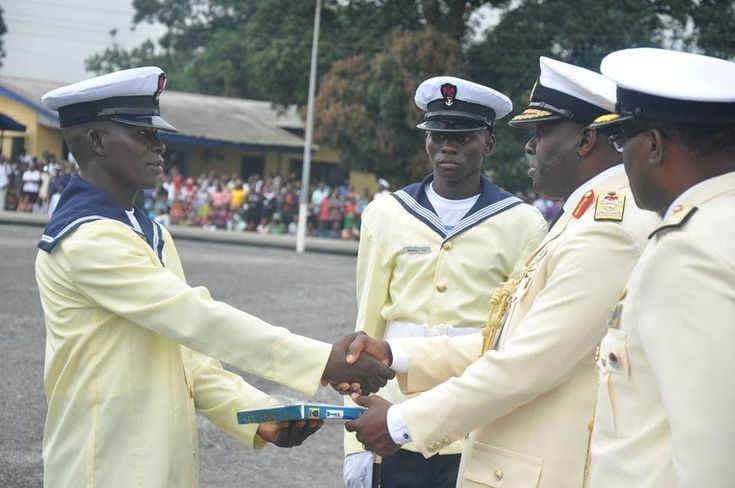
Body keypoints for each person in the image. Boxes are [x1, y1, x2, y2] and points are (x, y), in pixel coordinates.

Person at [35, 67, 394, 488]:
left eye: (156, 134)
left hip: (159, 464)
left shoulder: (148, 232)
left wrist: (259, 413)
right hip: (105, 464)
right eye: (142, 134)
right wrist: (321, 361)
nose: (159, 145)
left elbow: (186, 355)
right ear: (96, 142)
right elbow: (198, 319)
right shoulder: (86, 239)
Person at [343, 58, 660, 487]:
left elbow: (527, 362)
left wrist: (402, 422)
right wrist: (395, 355)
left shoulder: (605, 231)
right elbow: (507, 338)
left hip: (542, 462)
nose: (530, 147)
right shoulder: (581, 217)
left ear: (586, 139)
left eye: (542, 132)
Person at [342, 76, 548, 488]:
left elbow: (517, 338)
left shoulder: (523, 223)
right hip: (393, 413)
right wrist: (355, 444)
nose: (448, 147)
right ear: (426, 142)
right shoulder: (386, 214)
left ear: (488, 143)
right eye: (438, 135)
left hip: (475, 420)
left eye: (464, 137)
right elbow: (365, 329)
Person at [586, 48, 735, 488]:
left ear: (652, 146)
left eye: (621, 141)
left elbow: (714, 459)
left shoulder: (689, 252)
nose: (621, 160)